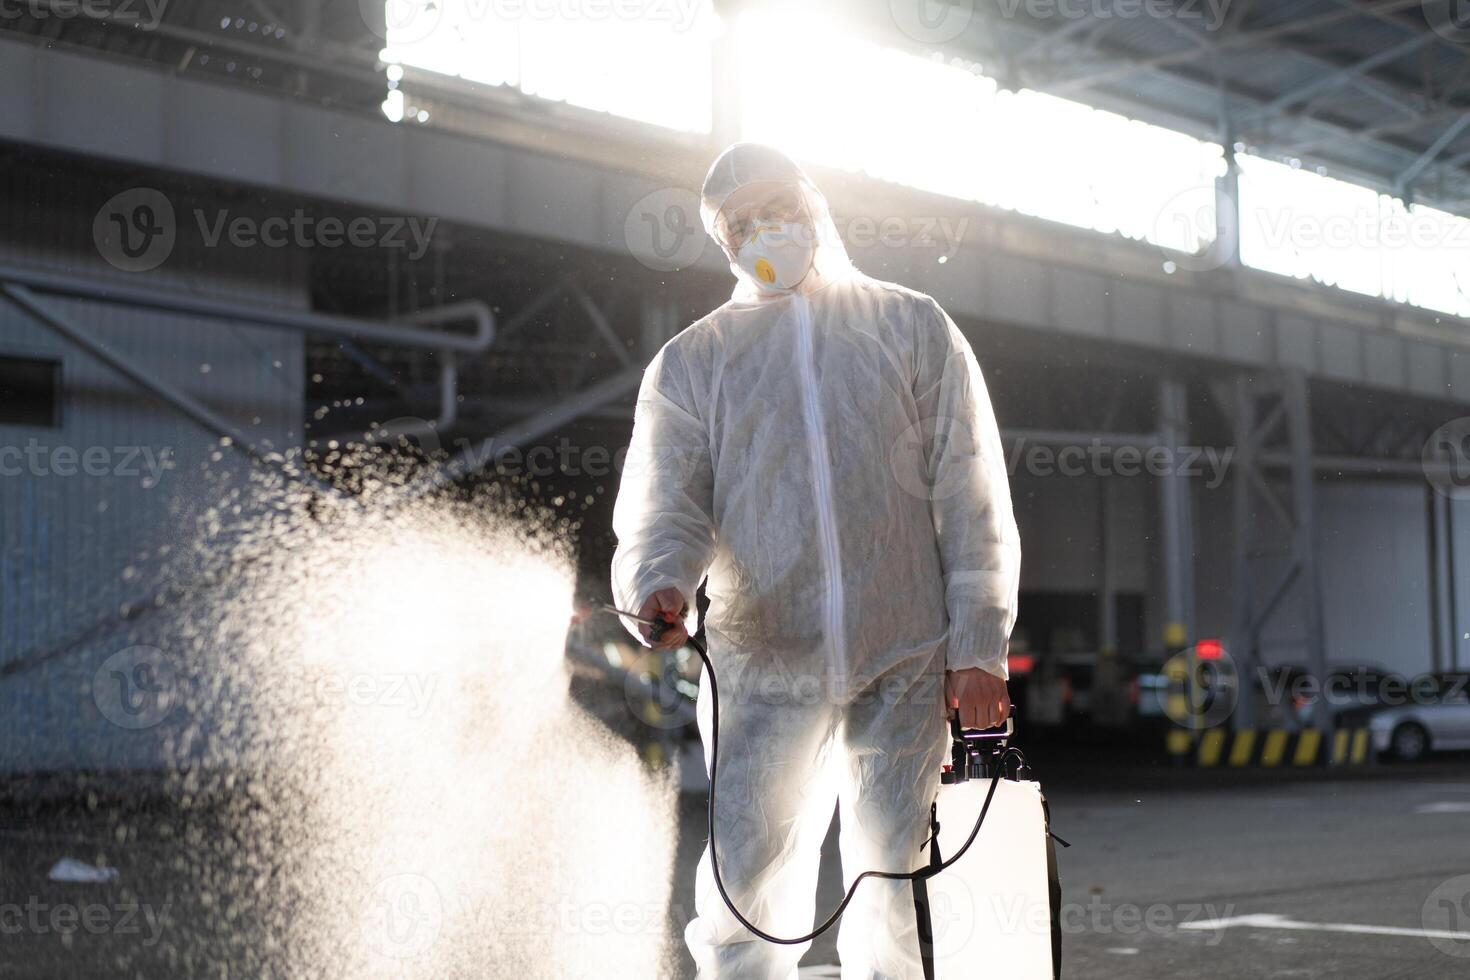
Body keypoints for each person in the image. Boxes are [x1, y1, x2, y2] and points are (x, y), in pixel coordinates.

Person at [610, 142, 1021, 979]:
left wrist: (979, 648)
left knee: (896, 871)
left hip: (904, 647)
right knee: (746, 877)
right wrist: (658, 583)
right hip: (764, 658)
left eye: (776, 205)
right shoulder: (696, 361)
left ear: (812, 203)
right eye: (741, 222)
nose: (766, 228)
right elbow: (666, 502)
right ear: (721, 242)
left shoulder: (909, 325)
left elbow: (969, 489)